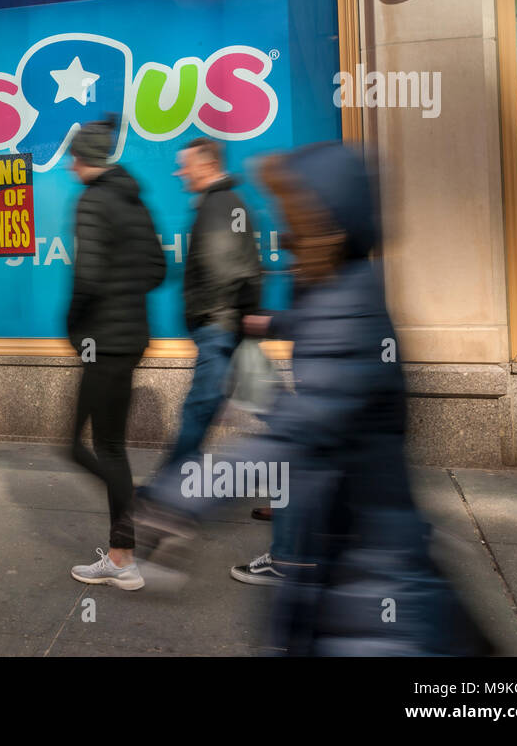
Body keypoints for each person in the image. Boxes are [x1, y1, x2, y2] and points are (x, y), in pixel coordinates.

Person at [135, 142, 492, 654]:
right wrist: (274, 321)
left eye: (295, 212)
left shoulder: (348, 302)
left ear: (330, 223)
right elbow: (324, 340)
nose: (284, 227)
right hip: (344, 548)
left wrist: (182, 496)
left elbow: (301, 427)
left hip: (371, 568)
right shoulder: (340, 287)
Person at [64, 116, 166, 590]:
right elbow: (157, 270)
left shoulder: (93, 201)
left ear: (84, 159)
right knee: (105, 446)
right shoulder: (135, 201)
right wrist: (125, 296)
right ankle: (127, 532)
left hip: (102, 342)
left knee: (89, 446)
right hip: (130, 340)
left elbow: (87, 277)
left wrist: (73, 326)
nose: (69, 166)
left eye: (72, 158)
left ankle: (125, 551)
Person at [164, 136, 262, 470]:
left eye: (184, 165)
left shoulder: (219, 205)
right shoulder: (222, 202)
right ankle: (316, 471)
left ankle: (169, 491)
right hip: (226, 326)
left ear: (206, 165)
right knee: (266, 403)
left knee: (200, 407)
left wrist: (207, 315)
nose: (180, 173)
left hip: (218, 327)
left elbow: (228, 270)